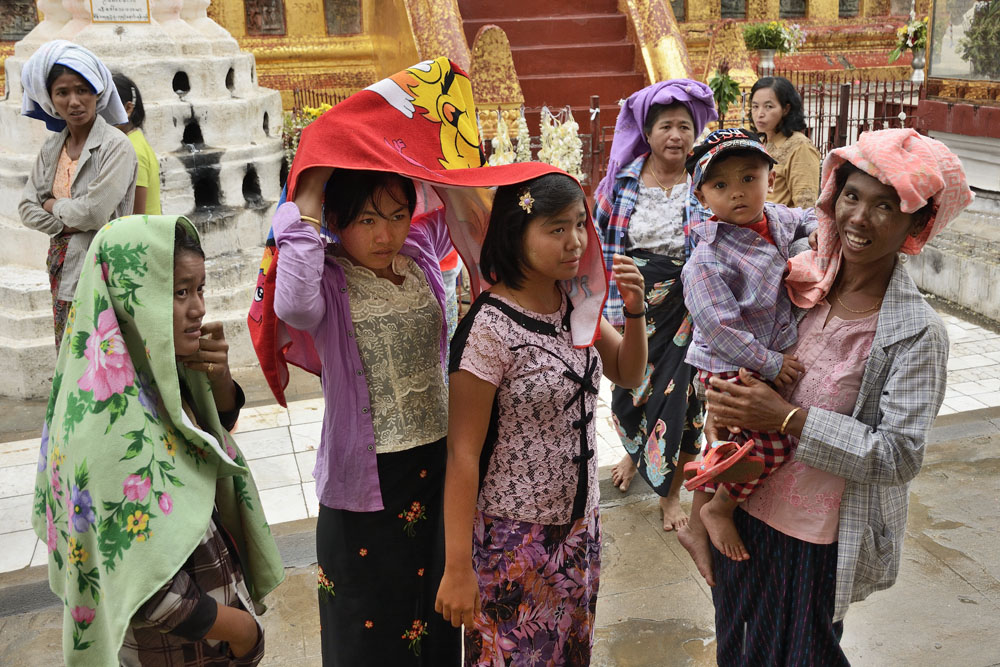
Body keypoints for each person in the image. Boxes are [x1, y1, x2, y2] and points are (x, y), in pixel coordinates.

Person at [695, 129, 972, 664]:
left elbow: (898, 455)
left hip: (815, 540)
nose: (860, 218)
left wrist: (790, 418)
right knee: (739, 650)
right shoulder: (796, 278)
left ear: (918, 224)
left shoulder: (915, 333)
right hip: (741, 512)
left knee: (802, 655)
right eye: (852, 196)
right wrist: (720, 412)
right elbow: (724, 344)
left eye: (885, 206)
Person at [32, 215, 284, 665]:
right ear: (133, 299)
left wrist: (219, 377)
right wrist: (242, 630)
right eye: (180, 291)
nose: (198, 308)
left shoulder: (148, 377)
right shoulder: (107, 426)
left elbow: (212, 433)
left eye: (200, 289)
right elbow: (146, 587)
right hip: (179, 651)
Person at [435, 172, 648, 664]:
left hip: (579, 530)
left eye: (579, 224)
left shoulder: (572, 301)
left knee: (571, 653)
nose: (575, 241)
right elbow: (463, 453)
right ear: (516, 233)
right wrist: (457, 567)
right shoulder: (488, 329)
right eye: (556, 229)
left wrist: (634, 314)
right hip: (513, 541)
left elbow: (628, 372)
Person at [678, 128, 817, 562]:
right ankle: (719, 508)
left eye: (747, 178)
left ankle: (709, 498)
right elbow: (720, 329)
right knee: (770, 444)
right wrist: (771, 363)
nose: (737, 193)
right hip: (728, 362)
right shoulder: (707, 259)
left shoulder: (778, 219)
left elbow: (809, 217)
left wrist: (813, 234)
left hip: (764, 355)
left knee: (741, 440)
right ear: (702, 198)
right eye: (720, 185)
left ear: (769, 180)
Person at [594, 79, 718, 532]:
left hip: (689, 313)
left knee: (684, 403)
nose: (676, 136)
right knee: (630, 394)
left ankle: (670, 494)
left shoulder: (707, 182)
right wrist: (604, 313)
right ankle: (635, 454)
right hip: (632, 310)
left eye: (685, 126)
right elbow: (597, 250)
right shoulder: (622, 184)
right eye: (665, 126)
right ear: (647, 133)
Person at [19, 40, 138, 349]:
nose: (74, 101)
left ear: (97, 92)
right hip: (62, 264)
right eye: (63, 92)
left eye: (83, 90)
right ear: (50, 99)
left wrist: (53, 205)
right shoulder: (51, 148)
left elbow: (95, 214)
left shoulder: (116, 146)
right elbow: (27, 207)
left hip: (104, 264)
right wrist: (70, 220)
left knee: (104, 356)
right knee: (69, 352)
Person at [750, 76, 821, 210]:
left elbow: (806, 207)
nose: (759, 113)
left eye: (769, 107)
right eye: (755, 106)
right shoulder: (761, 143)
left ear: (786, 109)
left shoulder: (800, 147)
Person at [114, 72, 162, 215]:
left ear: (128, 109)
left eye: (109, 108)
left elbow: (137, 216)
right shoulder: (134, 139)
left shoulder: (132, 150)